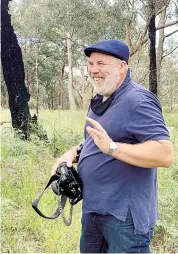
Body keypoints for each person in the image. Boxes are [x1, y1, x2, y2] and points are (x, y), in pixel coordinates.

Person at [51, 40, 174, 253]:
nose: (93, 70)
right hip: (94, 209)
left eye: (101, 63)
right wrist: (72, 153)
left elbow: (164, 154)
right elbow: (96, 140)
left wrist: (112, 148)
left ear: (122, 67)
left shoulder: (138, 101)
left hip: (125, 218)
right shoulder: (102, 98)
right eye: (90, 64)